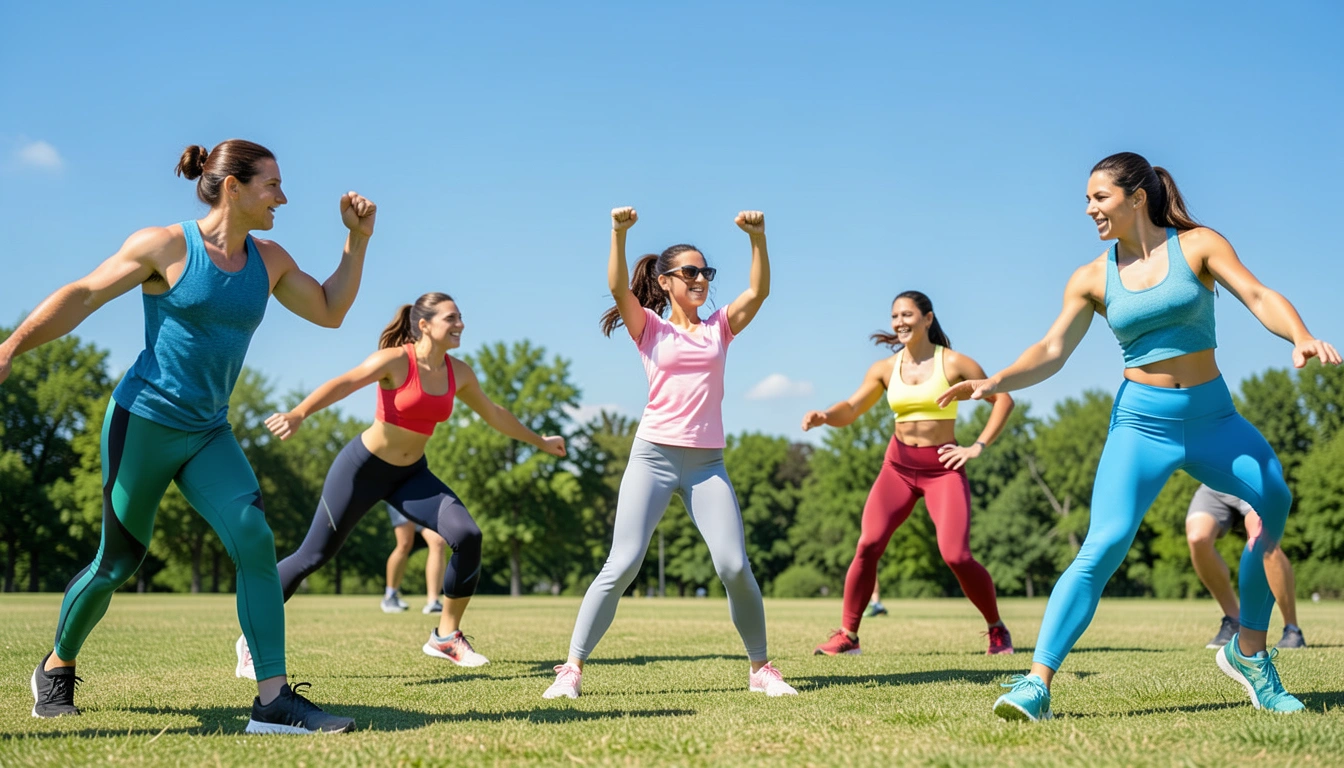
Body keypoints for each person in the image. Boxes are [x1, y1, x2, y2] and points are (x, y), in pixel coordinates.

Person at [939, 152, 1340, 720]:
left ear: (1136, 197)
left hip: (1213, 416)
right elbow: (1051, 349)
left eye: (1099, 197)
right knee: (1102, 544)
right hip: (1141, 422)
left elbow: (1257, 294)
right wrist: (996, 381)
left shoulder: (1198, 246)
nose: (1089, 209)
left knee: (1273, 498)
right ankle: (1036, 684)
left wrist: (1299, 335)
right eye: (1086, 199)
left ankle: (1250, 654)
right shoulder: (1091, 278)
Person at [1, 140, 376, 733]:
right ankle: (56, 665)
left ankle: (273, 701)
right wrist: (10, 348)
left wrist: (356, 241)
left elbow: (330, 310)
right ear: (233, 187)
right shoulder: (166, 246)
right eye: (272, 185)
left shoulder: (270, 260)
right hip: (143, 423)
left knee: (254, 537)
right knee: (116, 564)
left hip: (207, 432)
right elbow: (84, 295)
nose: (282, 197)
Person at [233, 292, 565, 678]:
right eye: (451, 318)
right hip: (361, 470)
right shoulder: (396, 361)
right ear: (424, 325)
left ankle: (446, 636)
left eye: (460, 317)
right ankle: (251, 638)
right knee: (312, 556)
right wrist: (299, 413)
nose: (460, 324)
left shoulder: (459, 373)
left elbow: (494, 413)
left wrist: (540, 442)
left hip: (411, 476)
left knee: (467, 535)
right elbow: (346, 382)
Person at [542, 207, 796, 699]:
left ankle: (760, 669)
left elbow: (759, 291)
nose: (701, 279)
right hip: (653, 457)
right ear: (665, 281)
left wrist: (758, 239)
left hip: (707, 465)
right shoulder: (651, 329)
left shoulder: (719, 327)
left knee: (734, 566)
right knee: (623, 563)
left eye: (706, 272)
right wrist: (618, 234)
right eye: (690, 272)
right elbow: (618, 288)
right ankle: (571, 669)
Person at [803, 291, 1015, 657]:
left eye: (907, 314)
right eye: (895, 316)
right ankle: (848, 636)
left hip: (943, 469)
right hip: (898, 468)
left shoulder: (955, 363)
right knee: (868, 544)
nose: (899, 322)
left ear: (927, 319)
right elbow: (851, 407)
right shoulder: (885, 369)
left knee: (956, 556)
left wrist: (977, 446)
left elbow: (1003, 399)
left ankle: (997, 628)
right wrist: (825, 416)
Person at [1187, 484, 1306, 649]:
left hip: (1252, 482)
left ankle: (1292, 629)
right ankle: (1234, 621)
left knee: (1262, 540)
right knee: (1197, 539)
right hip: (1215, 485)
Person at [382, 510, 449, 615]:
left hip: (425, 503)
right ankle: (390, 595)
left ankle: (433, 601)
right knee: (405, 544)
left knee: (438, 541)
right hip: (402, 501)